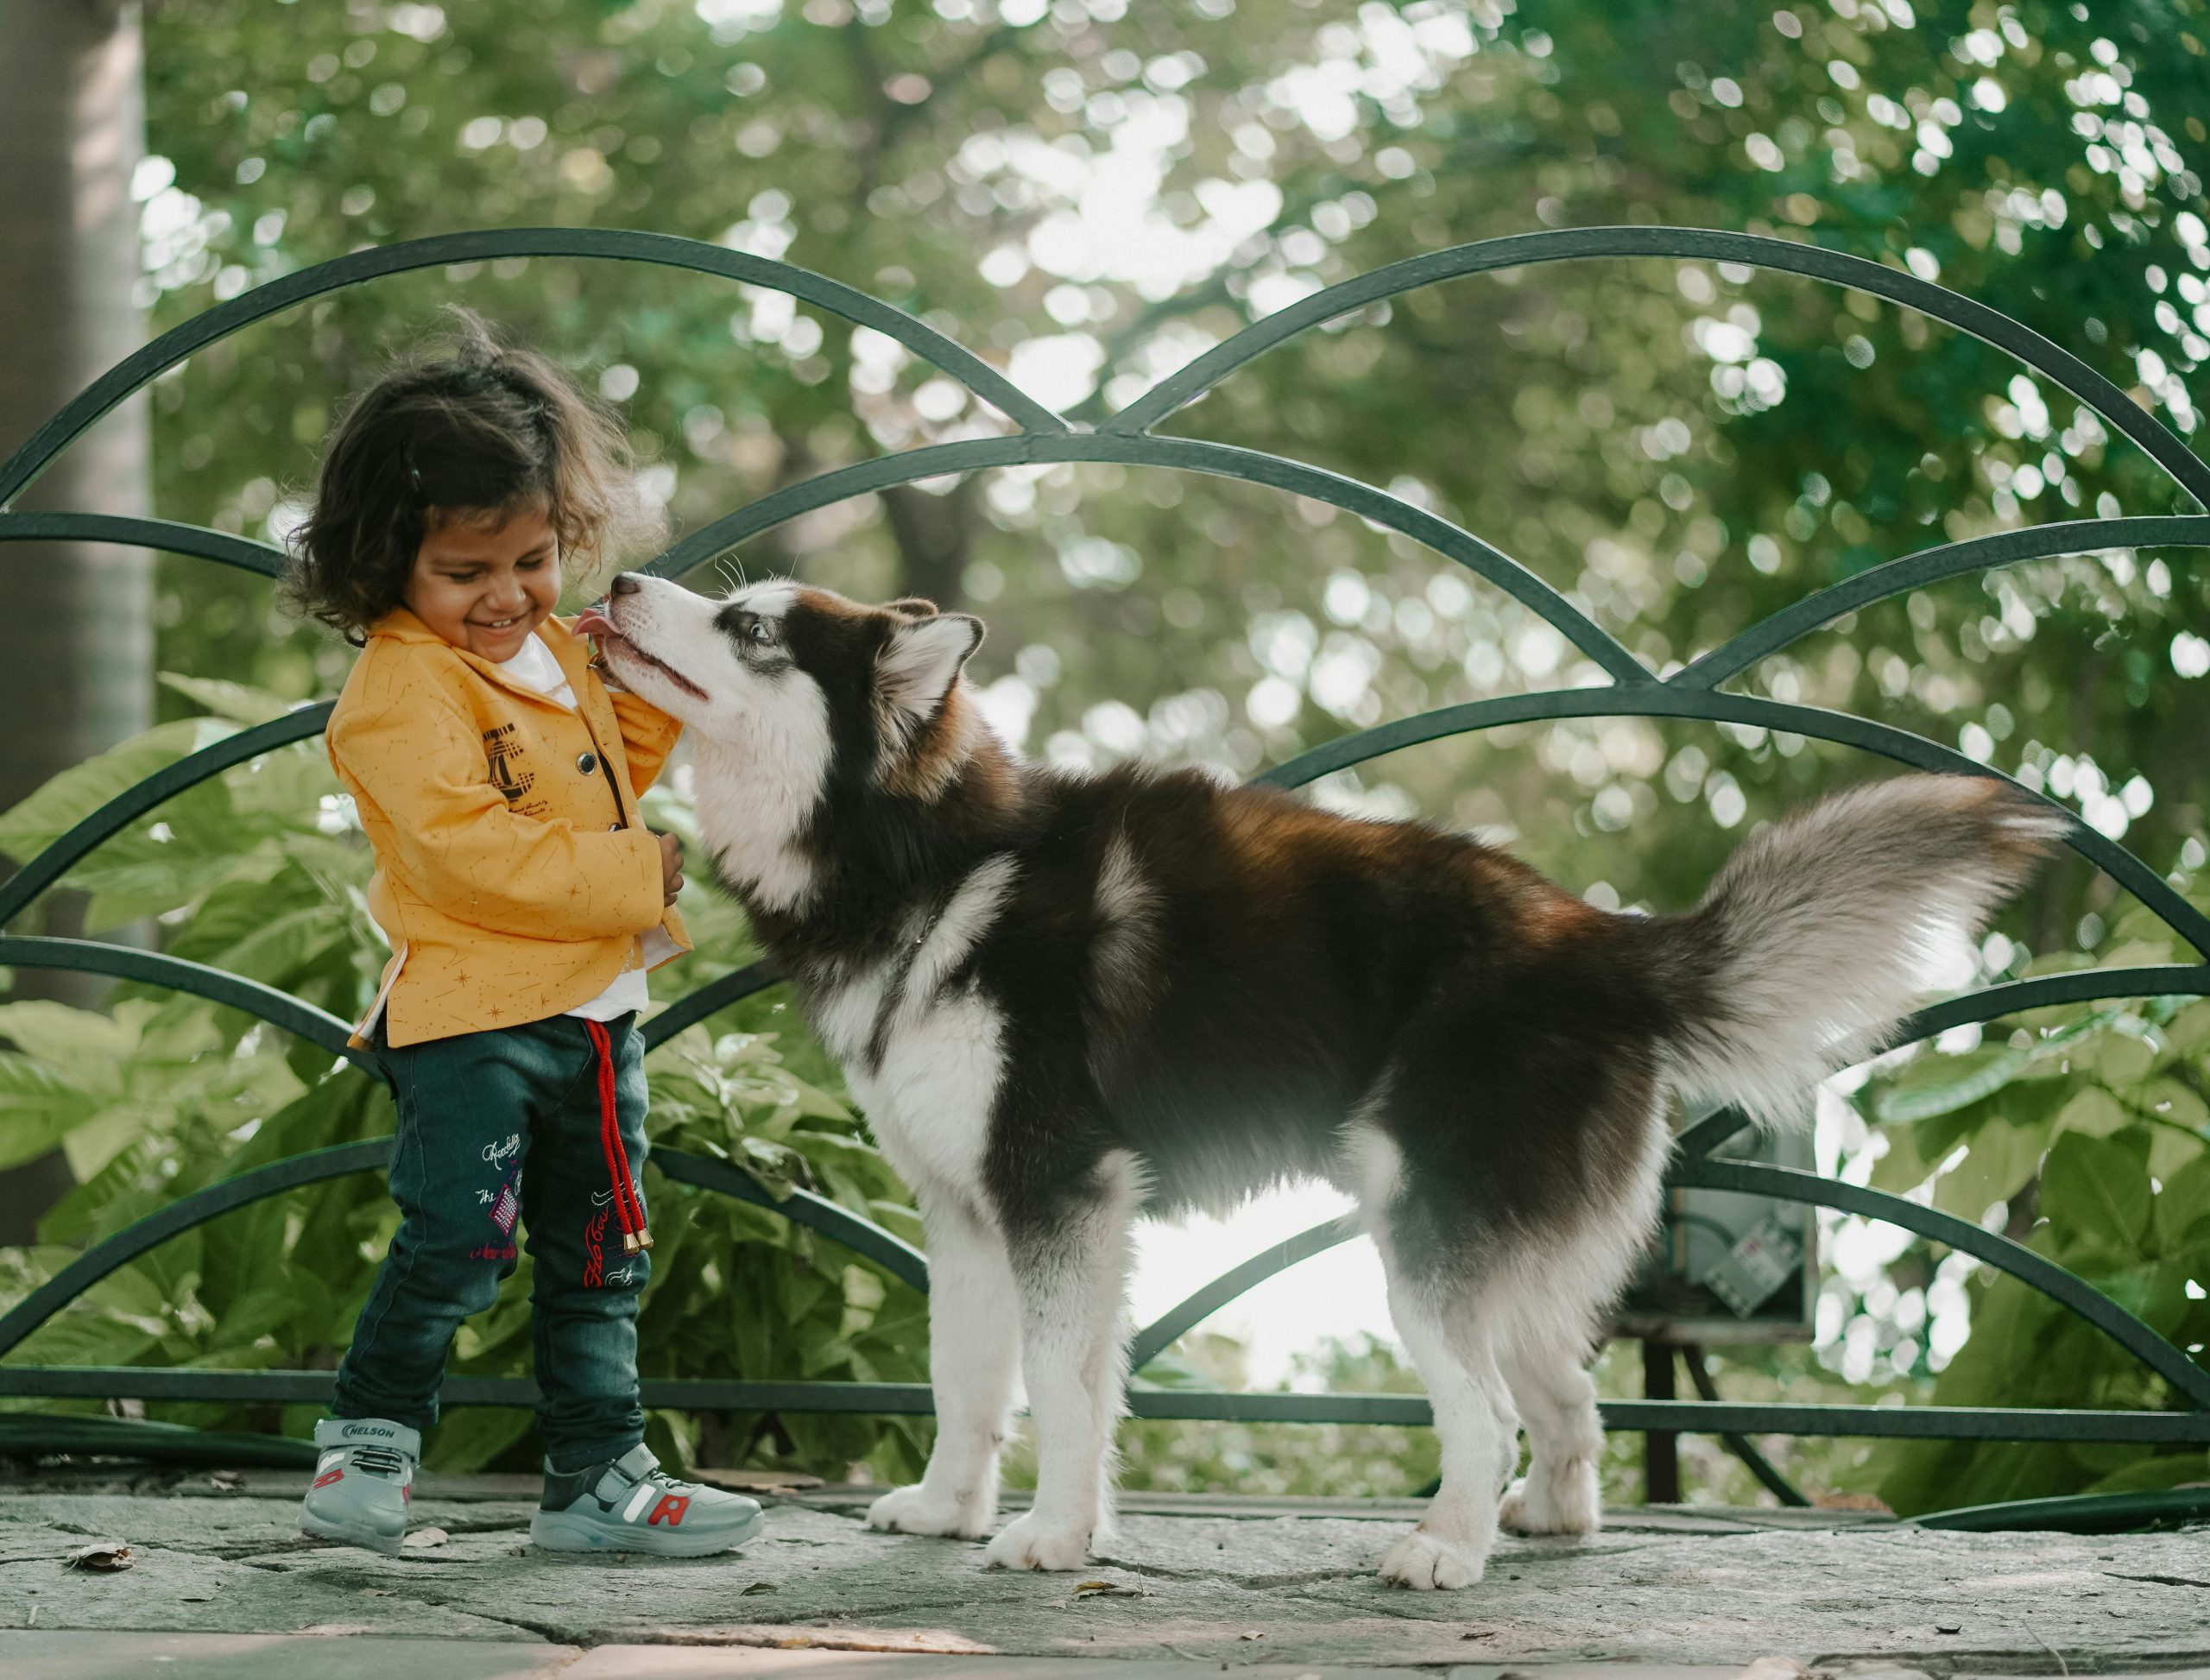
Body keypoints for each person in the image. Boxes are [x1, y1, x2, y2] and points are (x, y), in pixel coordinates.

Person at [281, 309, 759, 1557]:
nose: (509, 598)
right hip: (475, 1026)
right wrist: (636, 873)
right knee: (461, 1235)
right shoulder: (399, 687)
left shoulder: (551, 646)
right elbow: (467, 853)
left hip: (596, 1021)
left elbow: (603, 767)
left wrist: (645, 684)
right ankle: (366, 1443)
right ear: (388, 562)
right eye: (467, 573)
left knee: (603, 1250)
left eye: (534, 560)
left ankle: (598, 1478)